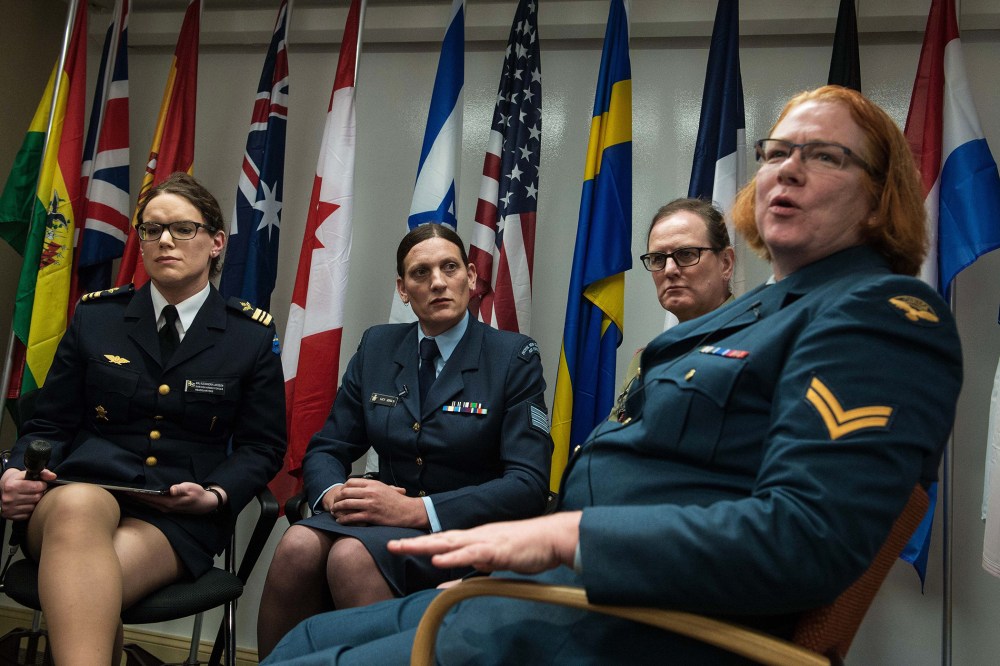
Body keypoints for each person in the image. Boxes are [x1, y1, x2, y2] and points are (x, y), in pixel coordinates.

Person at [262, 85, 964, 665]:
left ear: (878, 197)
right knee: (304, 637)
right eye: (777, 152)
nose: (788, 169)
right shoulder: (769, 309)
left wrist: (569, 536)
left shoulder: (881, 315)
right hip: (569, 592)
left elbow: (805, 539)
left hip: (637, 626)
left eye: (826, 155)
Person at [0, 172, 286, 666]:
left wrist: (216, 494)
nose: (165, 240)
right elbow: (48, 424)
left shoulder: (249, 337)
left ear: (217, 243)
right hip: (76, 494)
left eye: (183, 228)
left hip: (172, 517)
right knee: (78, 505)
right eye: (151, 230)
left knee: (86, 591)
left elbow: (262, 446)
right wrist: (13, 470)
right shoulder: (98, 318)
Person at [256, 223, 552, 658]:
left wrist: (417, 510)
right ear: (402, 289)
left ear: (471, 277)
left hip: (463, 533)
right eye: (420, 273)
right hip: (379, 523)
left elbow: (528, 484)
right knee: (299, 543)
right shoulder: (378, 346)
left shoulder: (513, 357)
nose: (437, 281)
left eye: (449, 267)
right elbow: (328, 447)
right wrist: (336, 494)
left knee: (350, 557)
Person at [611, 197, 735, 421]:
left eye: (686, 254)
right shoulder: (646, 360)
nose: (669, 270)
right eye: (658, 258)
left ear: (725, 263)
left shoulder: (762, 342)